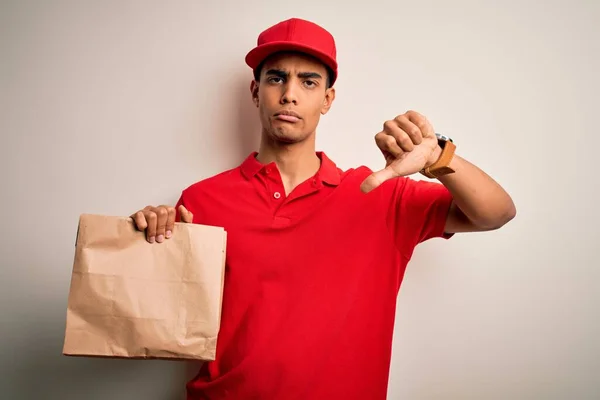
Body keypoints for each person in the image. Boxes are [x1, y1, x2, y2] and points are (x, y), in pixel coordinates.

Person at [130, 17, 515, 400]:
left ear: (328, 99)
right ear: (255, 91)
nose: (290, 95)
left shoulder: (379, 195)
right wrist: (149, 237)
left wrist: (437, 157)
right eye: (276, 78)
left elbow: (496, 213)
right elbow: (167, 319)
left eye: (309, 81)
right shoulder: (202, 199)